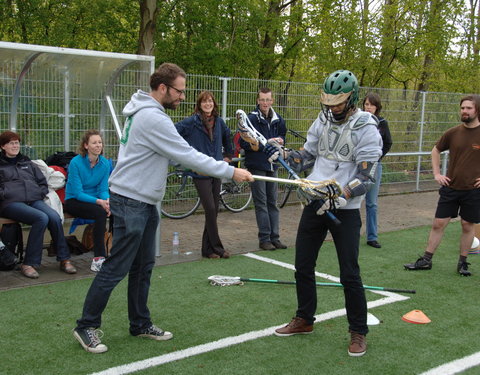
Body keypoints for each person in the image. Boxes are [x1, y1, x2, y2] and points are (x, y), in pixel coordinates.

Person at [73, 63, 253, 354]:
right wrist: (229, 172)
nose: (183, 97)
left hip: (144, 201)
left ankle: (139, 323)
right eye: (179, 91)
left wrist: (221, 167)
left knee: (143, 267)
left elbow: (176, 156)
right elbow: (185, 153)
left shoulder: (147, 113)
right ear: (162, 88)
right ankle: (86, 325)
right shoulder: (152, 118)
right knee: (117, 266)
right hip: (131, 200)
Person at [273, 70, 382, 357]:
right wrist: (284, 155)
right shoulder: (322, 120)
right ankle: (304, 319)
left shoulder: (367, 127)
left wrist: (341, 195)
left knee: (349, 273)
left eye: (338, 102)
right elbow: (307, 156)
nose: (332, 108)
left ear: (352, 98)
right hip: (314, 201)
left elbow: (366, 176)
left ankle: (358, 331)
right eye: (329, 102)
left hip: (344, 211)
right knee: (303, 265)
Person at [404, 94, 480, 276]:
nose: (465, 111)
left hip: (473, 190)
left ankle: (462, 263)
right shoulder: (453, 133)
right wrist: (437, 174)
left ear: (477, 110)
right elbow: (436, 150)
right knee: (438, 223)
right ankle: (426, 260)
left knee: (467, 225)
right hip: (450, 188)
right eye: (463, 108)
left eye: (469, 108)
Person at [0, 131, 77, 279]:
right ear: (3, 146)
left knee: (54, 217)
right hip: (11, 203)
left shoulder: (26, 162)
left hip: (33, 200)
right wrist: (5, 194)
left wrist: (40, 193)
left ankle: (64, 258)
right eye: (11, 143)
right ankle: (29, 263)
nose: (15, 146)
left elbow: (42, 181)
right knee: (41, 218)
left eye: (17, 142)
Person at [175, 91, 233, 259]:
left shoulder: (219, 122)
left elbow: (227, 137)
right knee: (210, 208)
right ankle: (218, 247)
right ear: (199, 105)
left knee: (214, 210)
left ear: (214, 104)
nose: (208, 104)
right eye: (204, 102)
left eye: (210, 102)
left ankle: (207, 250)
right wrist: (186, 158)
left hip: (216, 169)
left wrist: (228, 156)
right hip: (200, 171)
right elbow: (172, 134)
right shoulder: (192, 122)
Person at [240, 87, 288, 251]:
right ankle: (264, 239)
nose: (265, 103)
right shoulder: (250, 119)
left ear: (272, 101)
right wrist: (262, 144)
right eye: (262, 100)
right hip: (257, 165)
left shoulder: (278, 120)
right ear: (257, 101)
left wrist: (279, 142)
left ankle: (275, 238)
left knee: (272, 202)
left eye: (268, 100)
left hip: (273, 165)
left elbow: (283, 138)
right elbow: (244, 142)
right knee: (261, 203)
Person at [65, 130, 111, 272]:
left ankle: (115, 252)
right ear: (86, 145)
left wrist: (107, 201)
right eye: (94, 143)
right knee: (99, 213)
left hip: (96, 200)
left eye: (100, 142)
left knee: (115, 210)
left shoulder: (104, 164)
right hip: (74, 200)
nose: (98, 145)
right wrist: (99, 202)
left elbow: (103, 188)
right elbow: (78, 193)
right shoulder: (76, 163)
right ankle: (98, 259)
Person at [362, 93, 392, 248]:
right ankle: (347, 233)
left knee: (372, 203)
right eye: (366, 104)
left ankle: (372, 237)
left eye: (371, 105)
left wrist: (377, 157)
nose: (368, 108)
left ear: (377, 107)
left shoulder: (382, 123)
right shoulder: (358, 121)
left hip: (374, 166)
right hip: (358, 166)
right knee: (351, 200)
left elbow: (388, 142)